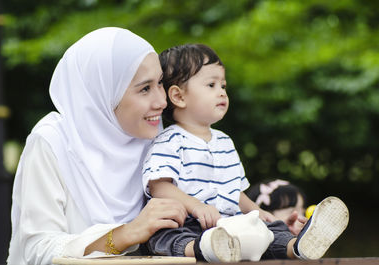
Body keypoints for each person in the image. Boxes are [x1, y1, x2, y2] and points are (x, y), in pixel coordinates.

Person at [142, 44, 349, 262]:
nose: (222, 92)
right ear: (178, 96)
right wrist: (196, 207)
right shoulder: (169, 140)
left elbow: (235, 191)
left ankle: (298, 245)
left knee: (268, 229)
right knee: (166, 234)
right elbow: (159, 186)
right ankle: (205, 248)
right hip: (190, 221)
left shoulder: (224, 141)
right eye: (211, 85)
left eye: (223, 85)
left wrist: (257, 211)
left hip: (231, 223)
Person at [7, 27, 188, 265]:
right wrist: (123, 235)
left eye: (160, 83)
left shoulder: (158, 141)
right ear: (104, 92)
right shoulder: (54, 142)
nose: (162, 101)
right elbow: (37, 249)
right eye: (145, 88)